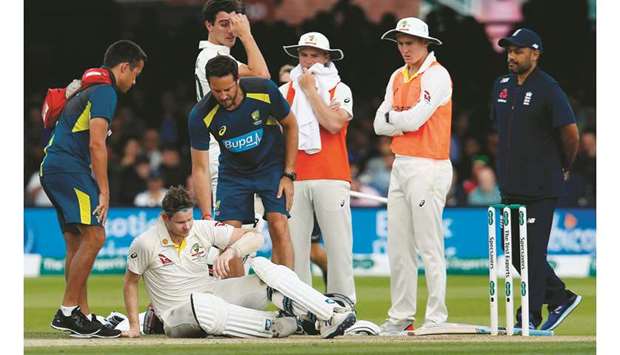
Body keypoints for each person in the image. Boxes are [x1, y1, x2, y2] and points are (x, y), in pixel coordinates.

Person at [122, 186, 356, 339]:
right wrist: (134, 326)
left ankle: (329, 314)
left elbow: (255, 237)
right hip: (176, 315)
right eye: (180, 222)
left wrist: (231, 252)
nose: (187, 227)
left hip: (211, 293)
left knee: (265, 270)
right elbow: (130, 283)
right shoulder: (145, 243)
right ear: (165, 218)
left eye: (189, 219)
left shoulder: (201, 229)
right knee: (202, 305)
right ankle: (277, 324)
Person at [40, 40, 147, 338]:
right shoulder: (105, 91)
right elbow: (97, 144)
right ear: (123, 67)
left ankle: (82, 316)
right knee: (96, 235)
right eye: (135, 73)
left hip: (53, 167)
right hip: (68, 167)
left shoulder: (89, 87)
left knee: (76, 244)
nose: (135, 81)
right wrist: (105, 191)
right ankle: (67, 312)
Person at [492, 28, 581, 331]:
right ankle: (561, 297)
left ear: (535, 53)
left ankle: (528, 316)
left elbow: (570, 132)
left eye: (518, 51)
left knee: (531, 253)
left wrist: (564, 165)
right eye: (509, 51)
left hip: (542, 185)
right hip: (511, 184)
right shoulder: (501, 85)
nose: (511, 56)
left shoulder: (548, 87)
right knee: (515, 253)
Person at [373, 17, 453, 334]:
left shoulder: (437, 76)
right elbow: (379, 125)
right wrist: (398, 119)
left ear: (425, 44)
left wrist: (394, 118)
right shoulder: (397, 75)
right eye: (401, 44)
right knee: (399, 246)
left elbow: (417, 119)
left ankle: (436, 317)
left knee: (429, 245)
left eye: (410, 43)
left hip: (429, 165)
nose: (404, 49)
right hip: (402, 164)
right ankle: (402, 316)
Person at [189, 55, 298, 268]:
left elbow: (291, 125)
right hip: (233, 174)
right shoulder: (200, 114)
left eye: (228, 89)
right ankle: (236, 299)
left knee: (278, 224)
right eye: (216, 90)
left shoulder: (264, 90)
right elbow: (200, 168)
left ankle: (286, 296)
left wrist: (289, 174)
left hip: (271, 167)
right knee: (226, 238)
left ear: (238, 79)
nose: (223, 96)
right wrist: (206, 214)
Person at [194, 0, 271, 276]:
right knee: (238, 238)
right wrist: (247, 34)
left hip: (232, 156)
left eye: (235, 24)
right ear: (209, 25)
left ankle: (226, 304)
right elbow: (263, 76)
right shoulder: (213, 59)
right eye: (225, 24)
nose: (231, 31)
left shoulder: (219, 56)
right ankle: (214, 300)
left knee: (240, 237)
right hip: (224, 157)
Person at [279, 32, 356, 303]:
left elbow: (334, 124)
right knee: (296, 249)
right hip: (294, 176)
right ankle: (302, 308)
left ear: (326, 58)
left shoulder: (340, 88)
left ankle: (343, 304)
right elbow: (277, 133)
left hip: (332, 175)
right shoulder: (284, 91)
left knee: (338, 247)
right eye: (303, 54)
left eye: (314, 54)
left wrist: (310, 91)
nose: (308, 60)